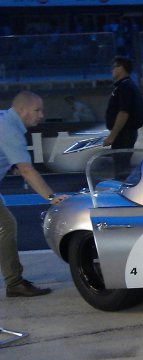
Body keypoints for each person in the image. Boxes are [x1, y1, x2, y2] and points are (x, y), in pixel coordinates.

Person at [0, 91, 68, 297]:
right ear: (22, 110)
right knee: (5, 226)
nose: (41, 115)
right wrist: (50, 197)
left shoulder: (5, 120)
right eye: (37, 110)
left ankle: (14, 281)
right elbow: (26, 169)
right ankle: (14, 283)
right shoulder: (9, 128)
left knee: (5, 226)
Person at [103, 56, 143, 176]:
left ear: (121, 68)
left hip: (124, 134)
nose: (112, 70)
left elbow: (123, 113)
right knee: (122, 165)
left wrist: (112, 136)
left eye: (114, 67)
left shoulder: (125, 87)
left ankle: (122, 189)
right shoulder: (126, 86)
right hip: (125, 134)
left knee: (121, 168)